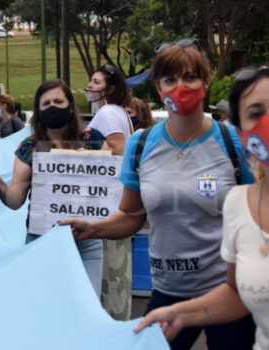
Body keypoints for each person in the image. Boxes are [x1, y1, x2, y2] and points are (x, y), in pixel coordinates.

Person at [60, 41, 256, 349]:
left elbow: (258, 214)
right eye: (170, 79)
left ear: (205, 83)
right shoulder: (140, 145)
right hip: (167, 291)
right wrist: (92, 229)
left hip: (227, 292)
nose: (180, 86)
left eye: (189, 77)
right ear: (158, 86)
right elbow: (130, 217)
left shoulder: (232, 141)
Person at [134, 66, 269, 350]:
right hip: (170, 288)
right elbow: (235, 293)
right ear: (242, 132)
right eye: (255, 114)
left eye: (190, 77)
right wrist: (180, 313)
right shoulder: (239, 205)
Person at [0, 79, 106, 298]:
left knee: (87, 307)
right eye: (46, 103)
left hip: (86, 243)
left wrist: (90, 162)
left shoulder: (93, 140)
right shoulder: (29, 147)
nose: (52, 106)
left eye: (58, 101)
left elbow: (111, 188)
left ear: (70, 106)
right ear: (39, 111)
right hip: (41, 241)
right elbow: (15, 201)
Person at [84, 64, 134, 321]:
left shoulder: (107, 115)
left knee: (109, 275)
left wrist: (84, 155)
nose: (90, 87)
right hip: (116, 201)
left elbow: (117, 151)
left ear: (110, 89)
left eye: (96, 83)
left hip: (107, 203)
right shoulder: (117, 112)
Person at [85, 65, 133, 155]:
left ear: (111, 89)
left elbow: (119, 152)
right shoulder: (115, 109)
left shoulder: (108, 112)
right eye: (91, 80)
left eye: (96, 82)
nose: (89, 85)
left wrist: (85, 152)